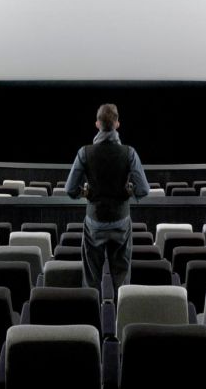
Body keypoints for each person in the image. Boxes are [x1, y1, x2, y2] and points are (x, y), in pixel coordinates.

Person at [64, 103, 150, 291]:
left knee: (91, 282)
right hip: (121, 221)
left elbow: (70, 189)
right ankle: (121, 316)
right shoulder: (130, 153)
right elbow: (143, 189)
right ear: (117, 124)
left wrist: (83, 192)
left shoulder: (84, 152)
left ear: (97, 124)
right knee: (122, 282)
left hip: (94, 221)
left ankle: (91, 317)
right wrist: (130, 190)